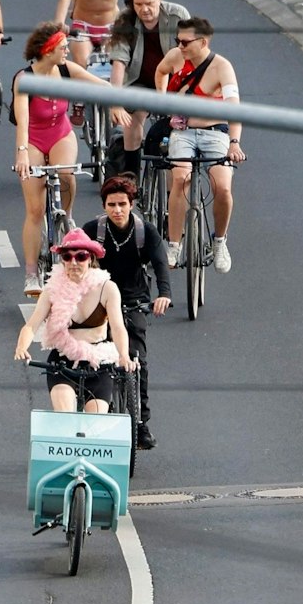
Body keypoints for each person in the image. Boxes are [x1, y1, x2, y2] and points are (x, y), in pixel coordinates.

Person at [13, 22, 108, 294]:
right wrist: (21, 154)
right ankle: (32, 273)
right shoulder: (25, 78)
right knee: (33, 210)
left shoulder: (67, 70)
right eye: (63, 47)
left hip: (60, 135)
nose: (68, 50)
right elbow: (23, 119)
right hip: (32, 139)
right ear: (48, 49)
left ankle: (66, 218)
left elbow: (101, 85)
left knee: (66, 174)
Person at [84, 174, 170, 447]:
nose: (117, 210)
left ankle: (141, 424)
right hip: (98, 301)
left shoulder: (146, 232)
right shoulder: (92, 230)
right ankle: (94, 412)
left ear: (131, 204)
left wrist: (164, 295)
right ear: (104, 205)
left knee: (138, 360)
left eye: (122, 204)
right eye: (111, 205)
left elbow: (160, 264)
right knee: (93, 357)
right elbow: (73, 262)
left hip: (133, 301)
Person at [155, 15, 245, 272]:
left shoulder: (222, 67)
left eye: (185, 42)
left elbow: (234, 108)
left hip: (214, 132)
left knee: (223, 187)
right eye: (178, 41)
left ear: (202, 42)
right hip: (183, 132)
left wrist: (234, 143)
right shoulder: (175, 57)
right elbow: (161, 71)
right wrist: (162, 101)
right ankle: (174, 244)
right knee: (180, 178)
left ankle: (219, 241)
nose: (180, 46)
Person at [14, 229, 135, 414]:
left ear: (91, 259)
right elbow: (32, 325)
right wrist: (22, 347)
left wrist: (123, 355)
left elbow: (118, 327)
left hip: (98, 359)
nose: (73, 262)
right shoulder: (51, 290)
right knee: (64, 414)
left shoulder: (107, 288)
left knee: (96, 419)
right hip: (63, 360)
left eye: (81, 256)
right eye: (67, 257)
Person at [105, 0, 190, 180]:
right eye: (139, 5)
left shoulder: (178, 15)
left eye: (149, 4)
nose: (144, 10)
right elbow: (119, 62)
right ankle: (132, 178)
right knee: (131, 121)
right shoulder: (125, 21)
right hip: (139, 80)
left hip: (173, 81)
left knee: (179, 125)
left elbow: (193, 52)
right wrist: (115, 103)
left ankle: (174, 191)